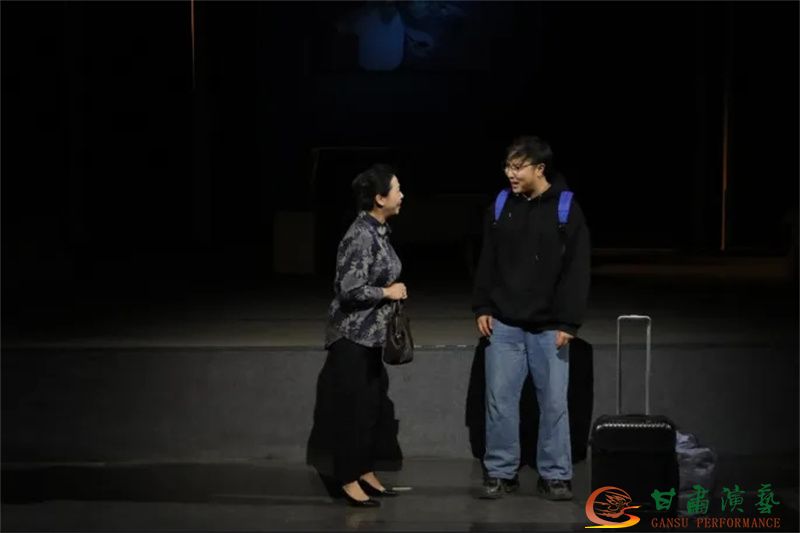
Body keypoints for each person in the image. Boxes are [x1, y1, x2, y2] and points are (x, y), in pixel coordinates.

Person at [472, 136, 590, 501]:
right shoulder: (501, 205)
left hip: (550, 325)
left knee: (553, 404)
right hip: (504, 321)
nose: (510, 174)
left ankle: (555, 475)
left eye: (518, 167)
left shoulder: (566, 208)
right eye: (507, 166)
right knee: (499, 401)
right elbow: (487, 258)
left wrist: (568, 322)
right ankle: (500, 472)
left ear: (540, 169)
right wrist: (483, 305)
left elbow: (577, 269)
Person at [318, 164, 407, 507]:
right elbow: (349, 290)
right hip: (352, 337)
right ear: (379, 199)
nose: (402, 195)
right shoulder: (360, 235)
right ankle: (347, 478)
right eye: (397, 189)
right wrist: (388, 292)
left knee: (371, 408)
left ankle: (364, 470)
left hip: (371, 337)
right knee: (352, 411)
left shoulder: (379, 231)